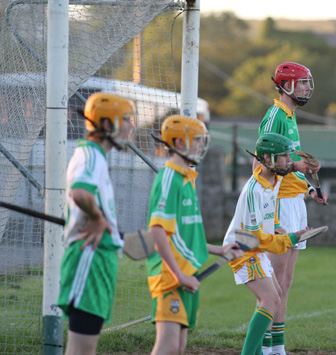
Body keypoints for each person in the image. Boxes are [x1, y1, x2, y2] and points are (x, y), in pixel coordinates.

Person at [146, 115, 243, 355]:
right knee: (167, 345)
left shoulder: (187, 178)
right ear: (179, 143)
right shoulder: (169, 178)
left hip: (186, 273)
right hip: (170, 276)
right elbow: (157, 231)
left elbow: (186, 233)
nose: (201, 145)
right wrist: (178, 275)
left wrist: (218, 250)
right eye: (196, 140)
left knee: (178, 347)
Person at [253, 62, 328, 355]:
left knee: (285, 281)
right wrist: (296, 167)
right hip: (279, 204)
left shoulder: (290, 116)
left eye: (309, 83)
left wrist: (308, 186)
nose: (308, 88)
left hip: (294, 202)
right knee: (272, 284)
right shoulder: (275, 117)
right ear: (286, 86)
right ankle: (265, 347)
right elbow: (259, 165)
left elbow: (285, 164)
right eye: (302, 83)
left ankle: (277, 347)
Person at [57, 92, 136, 355]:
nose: (131, 125)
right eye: (126, 119)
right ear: (106, 124)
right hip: (88, 259)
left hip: (99, 260)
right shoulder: (89, 154)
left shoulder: (97, 157)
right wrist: (97, 218)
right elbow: (80, 193)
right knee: (81, 350)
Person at [224, 132, 312, 355]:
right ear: (267, 158)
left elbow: (269, 215)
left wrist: (276, 226)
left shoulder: (275, 179)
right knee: (270, 299)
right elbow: (256, 239)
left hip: (255, 248)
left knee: (274, 297)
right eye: (283, 156)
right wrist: (289, 238)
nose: (288, 161)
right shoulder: (255, 189)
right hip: (242, 249)